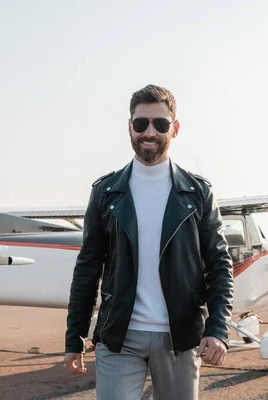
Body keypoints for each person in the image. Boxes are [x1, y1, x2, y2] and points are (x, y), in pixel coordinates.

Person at [64, 84, 234, 399]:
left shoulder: (198, 194)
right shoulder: (106, 192)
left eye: (160, 123)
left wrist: (218, 329)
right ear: (130, 127)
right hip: (119, 337)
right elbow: (87, 267)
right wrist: (74, 336)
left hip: (180, 338)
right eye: (141, 123)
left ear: (175, 128)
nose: (150, 132)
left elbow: (220, 265)